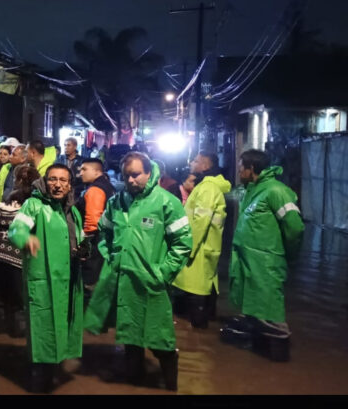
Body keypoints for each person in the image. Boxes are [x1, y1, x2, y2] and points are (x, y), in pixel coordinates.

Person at [85, 152, 192, 391]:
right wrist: (113, 258)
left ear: (149, 171)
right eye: (126, 176)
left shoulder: (166, 202)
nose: (131, 181)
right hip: (124, 282)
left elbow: (183, 242)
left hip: (152, 283)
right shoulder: (116, 202)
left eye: (136, 175)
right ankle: (133, 382)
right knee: (129, 335)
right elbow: (104, 233)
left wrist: (163, 273)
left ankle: (170, 384)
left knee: (160, 336)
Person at [8, 164, 85, 393]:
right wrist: (26, 239)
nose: (58, 184)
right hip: (44, 281)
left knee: (62, 329)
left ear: (69, 184)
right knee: (42, 331)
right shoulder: (34, 205)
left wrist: (84, 249)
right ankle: (38, 384)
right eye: (53, 179)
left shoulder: (72, 210)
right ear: (45, 181)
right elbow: (16, 228)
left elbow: (78, 239)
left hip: (70, 280)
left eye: (63, 180)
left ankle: (52, 377)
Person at [222, 149, 304, 362]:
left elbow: (295, 227)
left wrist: (289, 255)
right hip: (249, 261)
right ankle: (261, 363)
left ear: (251, 169)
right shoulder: (252, 190)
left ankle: (279, 359)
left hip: (266, 262)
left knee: (270, 310)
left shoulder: (276, 191)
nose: (239, 172)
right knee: (253, 307)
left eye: (241, 168)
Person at [0, 164, 41, 338]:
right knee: (18, 301)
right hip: (16, 258)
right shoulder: (35, 207)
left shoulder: (2, 204)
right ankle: (17, 339)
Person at [172, 152, 230, 329]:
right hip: (205, 246)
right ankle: (203, 333)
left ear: (205, 166)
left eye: (196, 161)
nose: (191, 163)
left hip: (199, 248)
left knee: (196, 289)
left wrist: (188, 246)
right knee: (204, 286)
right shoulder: (207, 186)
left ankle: (198, 330)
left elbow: (200, 222)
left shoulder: (207, 188)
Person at [75, 158, 115, 301]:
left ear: (97, 171)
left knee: (90, 282)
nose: (80, 173)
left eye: (84, 169)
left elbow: (92, 222)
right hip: (106, 241)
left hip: (95, 243)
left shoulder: (95, 190)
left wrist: (84, 243)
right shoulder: (108, 186)